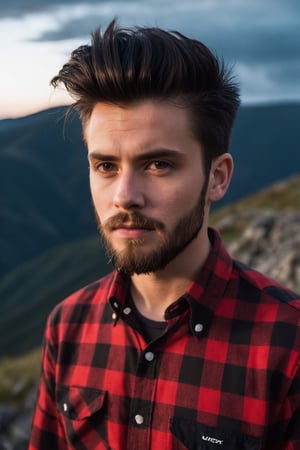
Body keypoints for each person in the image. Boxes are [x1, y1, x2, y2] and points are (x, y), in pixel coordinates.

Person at [29, 19, 300, 450]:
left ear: (217, 177)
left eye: (158, 165)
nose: (125, 196)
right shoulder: (68, 326)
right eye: (106, 166)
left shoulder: (289, 344)